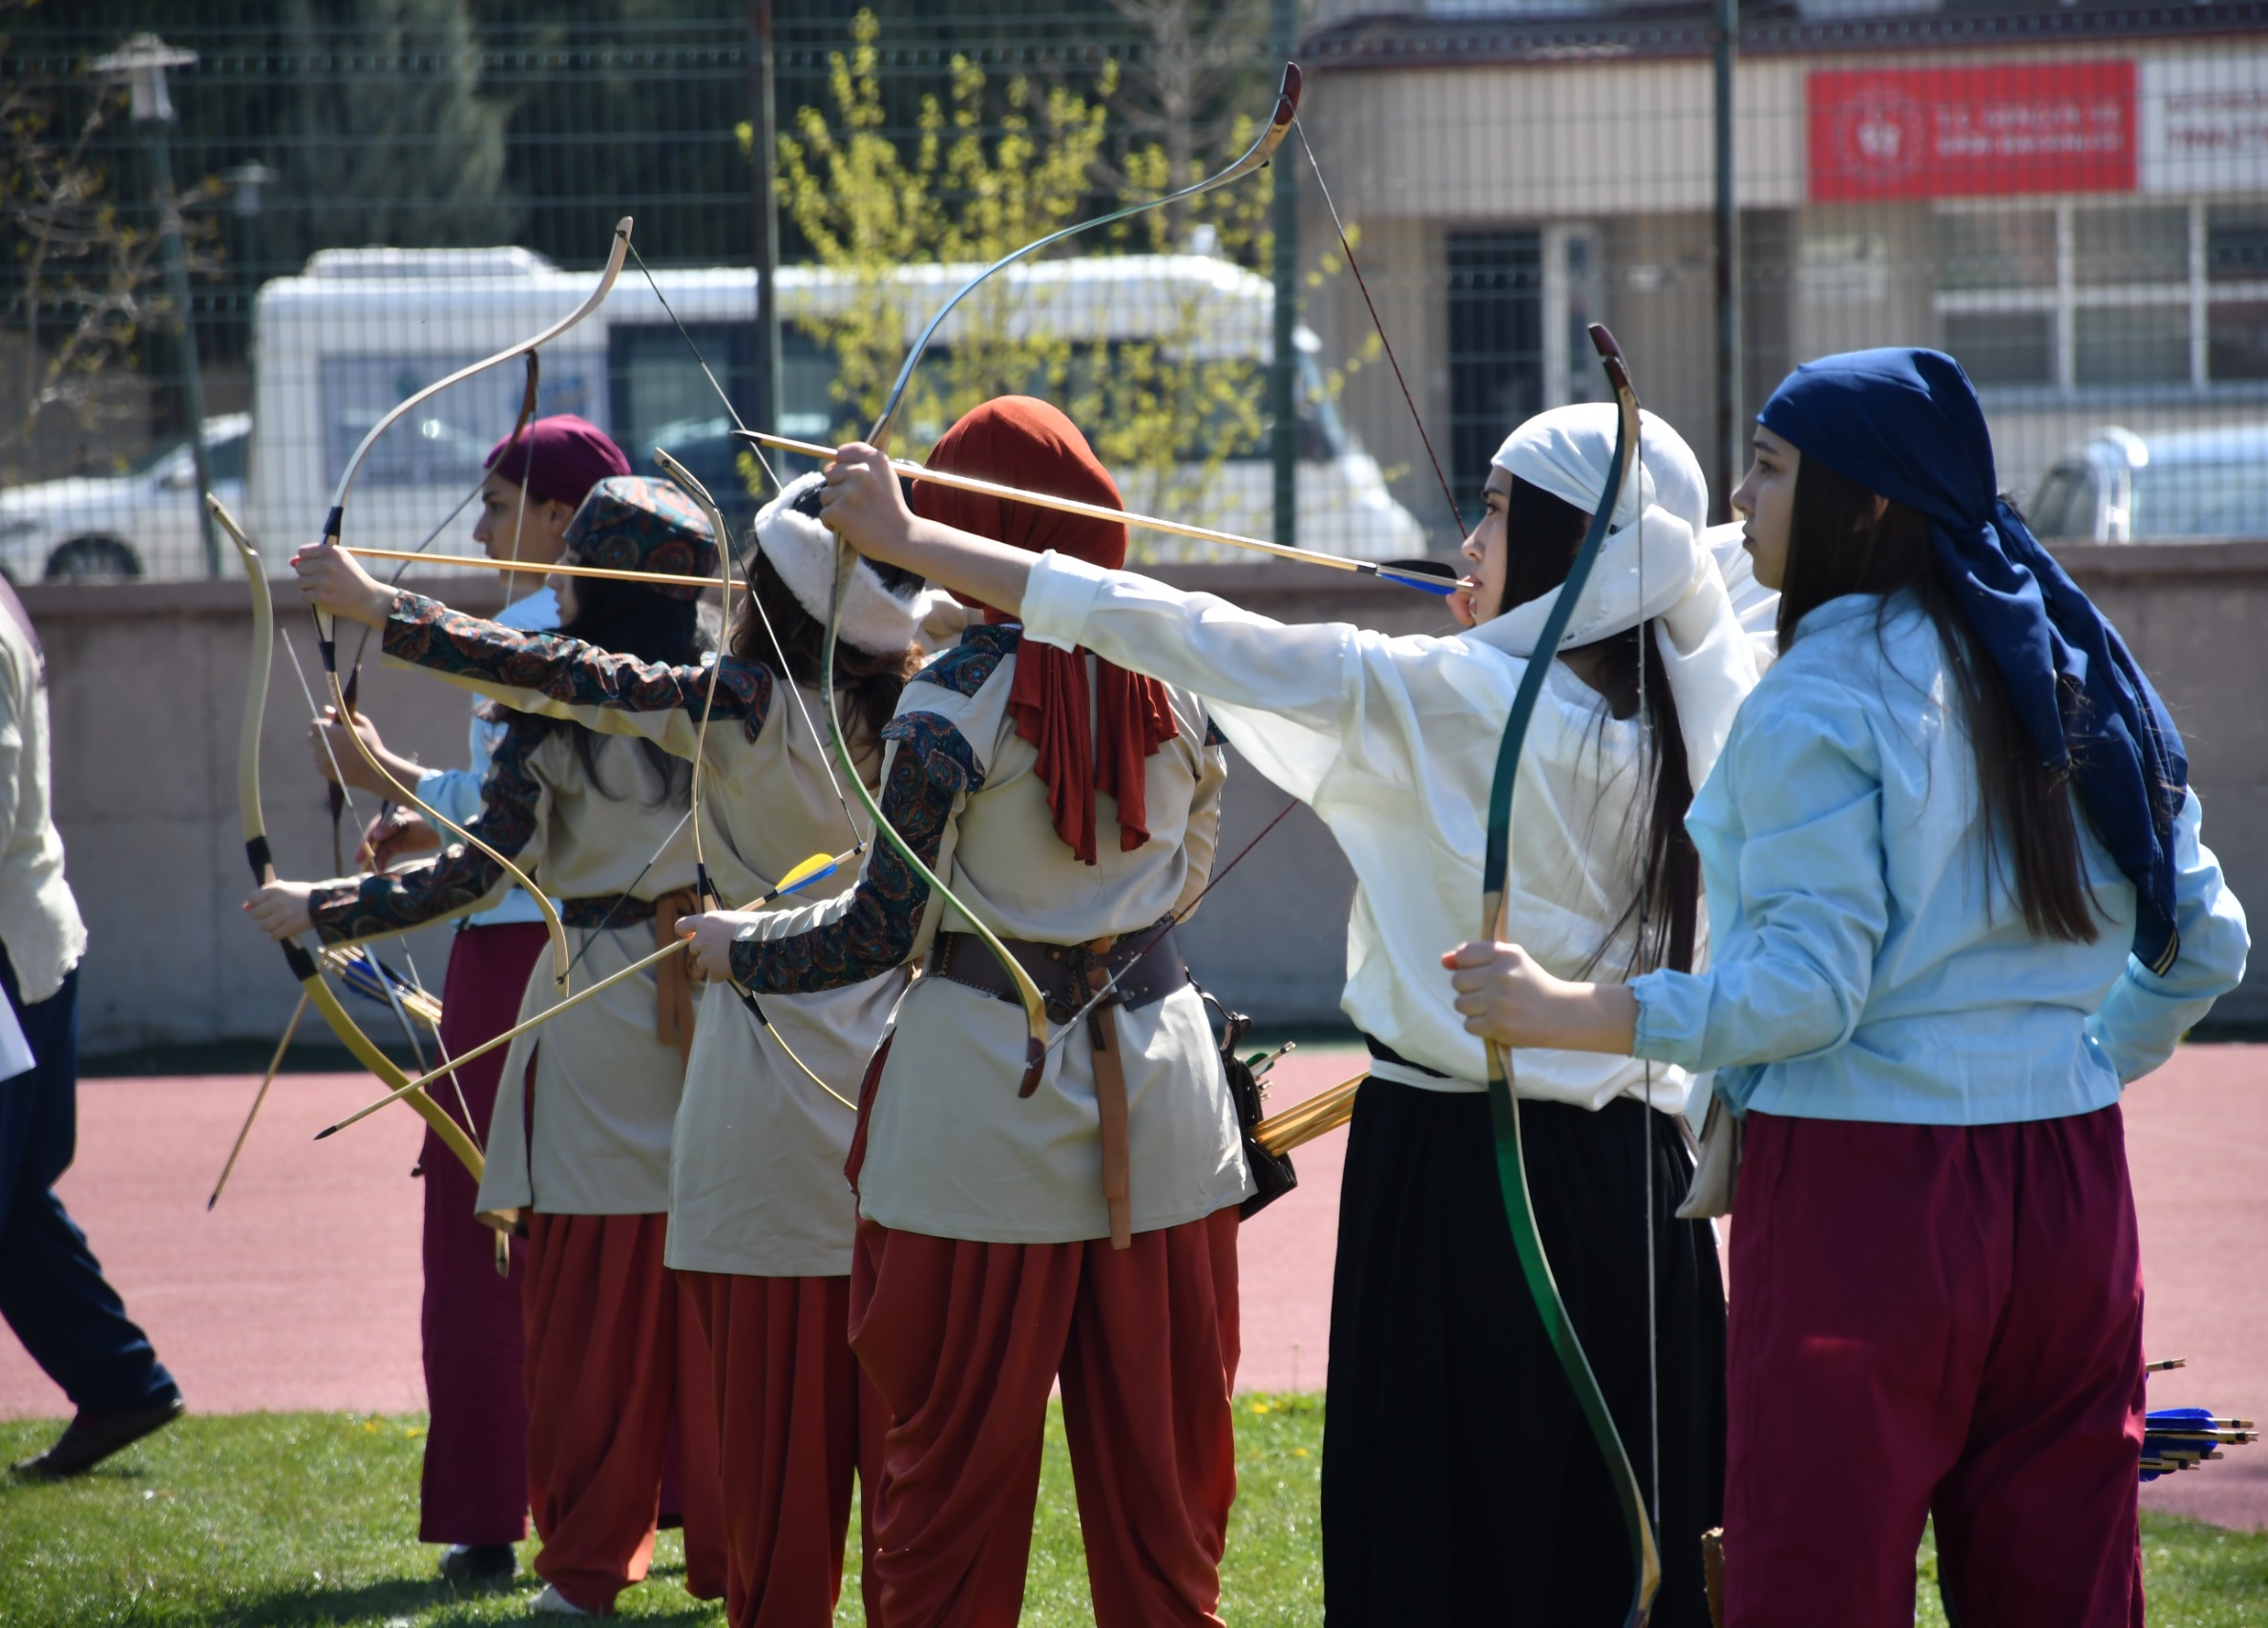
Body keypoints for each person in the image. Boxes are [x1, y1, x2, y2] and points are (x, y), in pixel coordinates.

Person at [812, 398, 1757, 1628]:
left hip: (1461, 1180)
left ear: (1580, 548)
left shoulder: (1443, 694)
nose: (1469, 541)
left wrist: (912, 537)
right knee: (1616, 1548)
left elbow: (1179, 628)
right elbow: (1701, 564)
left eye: (1497, 514)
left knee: (1450, 1546)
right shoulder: (1703, 697)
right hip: (1638, 1189)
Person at [1445, 348, 2251, 1627]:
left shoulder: (1818, 692)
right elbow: (2204, 942)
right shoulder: (2073, 667)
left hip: (1863, 1200)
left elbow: (1806, 992)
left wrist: (1569, 1009)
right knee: (2068, 1587)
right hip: (2073, 1186)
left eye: (1768, 469)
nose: (1738, 503)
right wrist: (2071, 1060)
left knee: (1812, 1584)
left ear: (1866, 504)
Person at [299, 464, 932, 1627]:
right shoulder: (910, 708)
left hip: (674, 1028)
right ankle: (756, 1560)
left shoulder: (728, 701)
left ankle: (605, 1561)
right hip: (825, 1035)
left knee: (626, 1322)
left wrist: (380, 611)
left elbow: (550, 696)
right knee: (788, 1335)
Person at [682, 398, 1248, 1628]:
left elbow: (879, 927)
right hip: (1162, 1081)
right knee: (1165, 1481)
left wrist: (740, 949)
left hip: (986, 1103)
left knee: (949, 1482)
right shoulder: (1179, 675)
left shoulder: (949, 698)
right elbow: (1187, 870)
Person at [250, 476, 731, 1618]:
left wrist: (323, 908)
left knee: (594, 1307)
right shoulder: (741, 698)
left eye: (574, 574)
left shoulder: (567, 708)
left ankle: (592, 1563)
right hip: (725, 1006)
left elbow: (481, 873)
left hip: (608, 1020)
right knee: (726, 1297)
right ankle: (734, 1550)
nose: (556, 592)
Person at [305, 411, 628, 1586]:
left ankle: (493, 1507)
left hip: (518, 957)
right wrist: (410, 795)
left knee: (486, 1227)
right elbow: (524, 802)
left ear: (559, 516)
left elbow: (515, 830)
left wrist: (381, 770)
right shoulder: (620, 638)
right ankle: (659, 1490)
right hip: (606, 957)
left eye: (499, 506)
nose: (483, 529)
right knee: (619, 1226)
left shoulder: (539, 632)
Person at [0, 578, 184, 1478]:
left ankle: (121, 1382)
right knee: (12, 1201)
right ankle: (119, 1382)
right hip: (29, 940)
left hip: (12, 954)